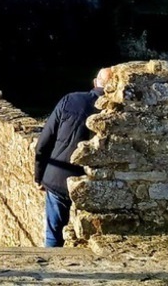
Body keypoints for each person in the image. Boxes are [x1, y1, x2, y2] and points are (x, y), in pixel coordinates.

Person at [34, 67, 112, 247]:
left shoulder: (71, 100)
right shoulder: (118, 111)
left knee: (53, 233)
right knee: (95, 237)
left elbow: (44, 142)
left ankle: (52, 269)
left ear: (95, 82)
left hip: (58, 177)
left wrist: (39, 176)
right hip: (94, 181)